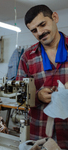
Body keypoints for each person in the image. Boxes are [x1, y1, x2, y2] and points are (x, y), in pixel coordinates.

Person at [16, 5, 68, 149]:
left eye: (42, 24)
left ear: (55, 18)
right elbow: (19, 96)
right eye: (34, 30)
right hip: (40, 136)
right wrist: (37, 97)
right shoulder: (27, 57)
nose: (40, 32)